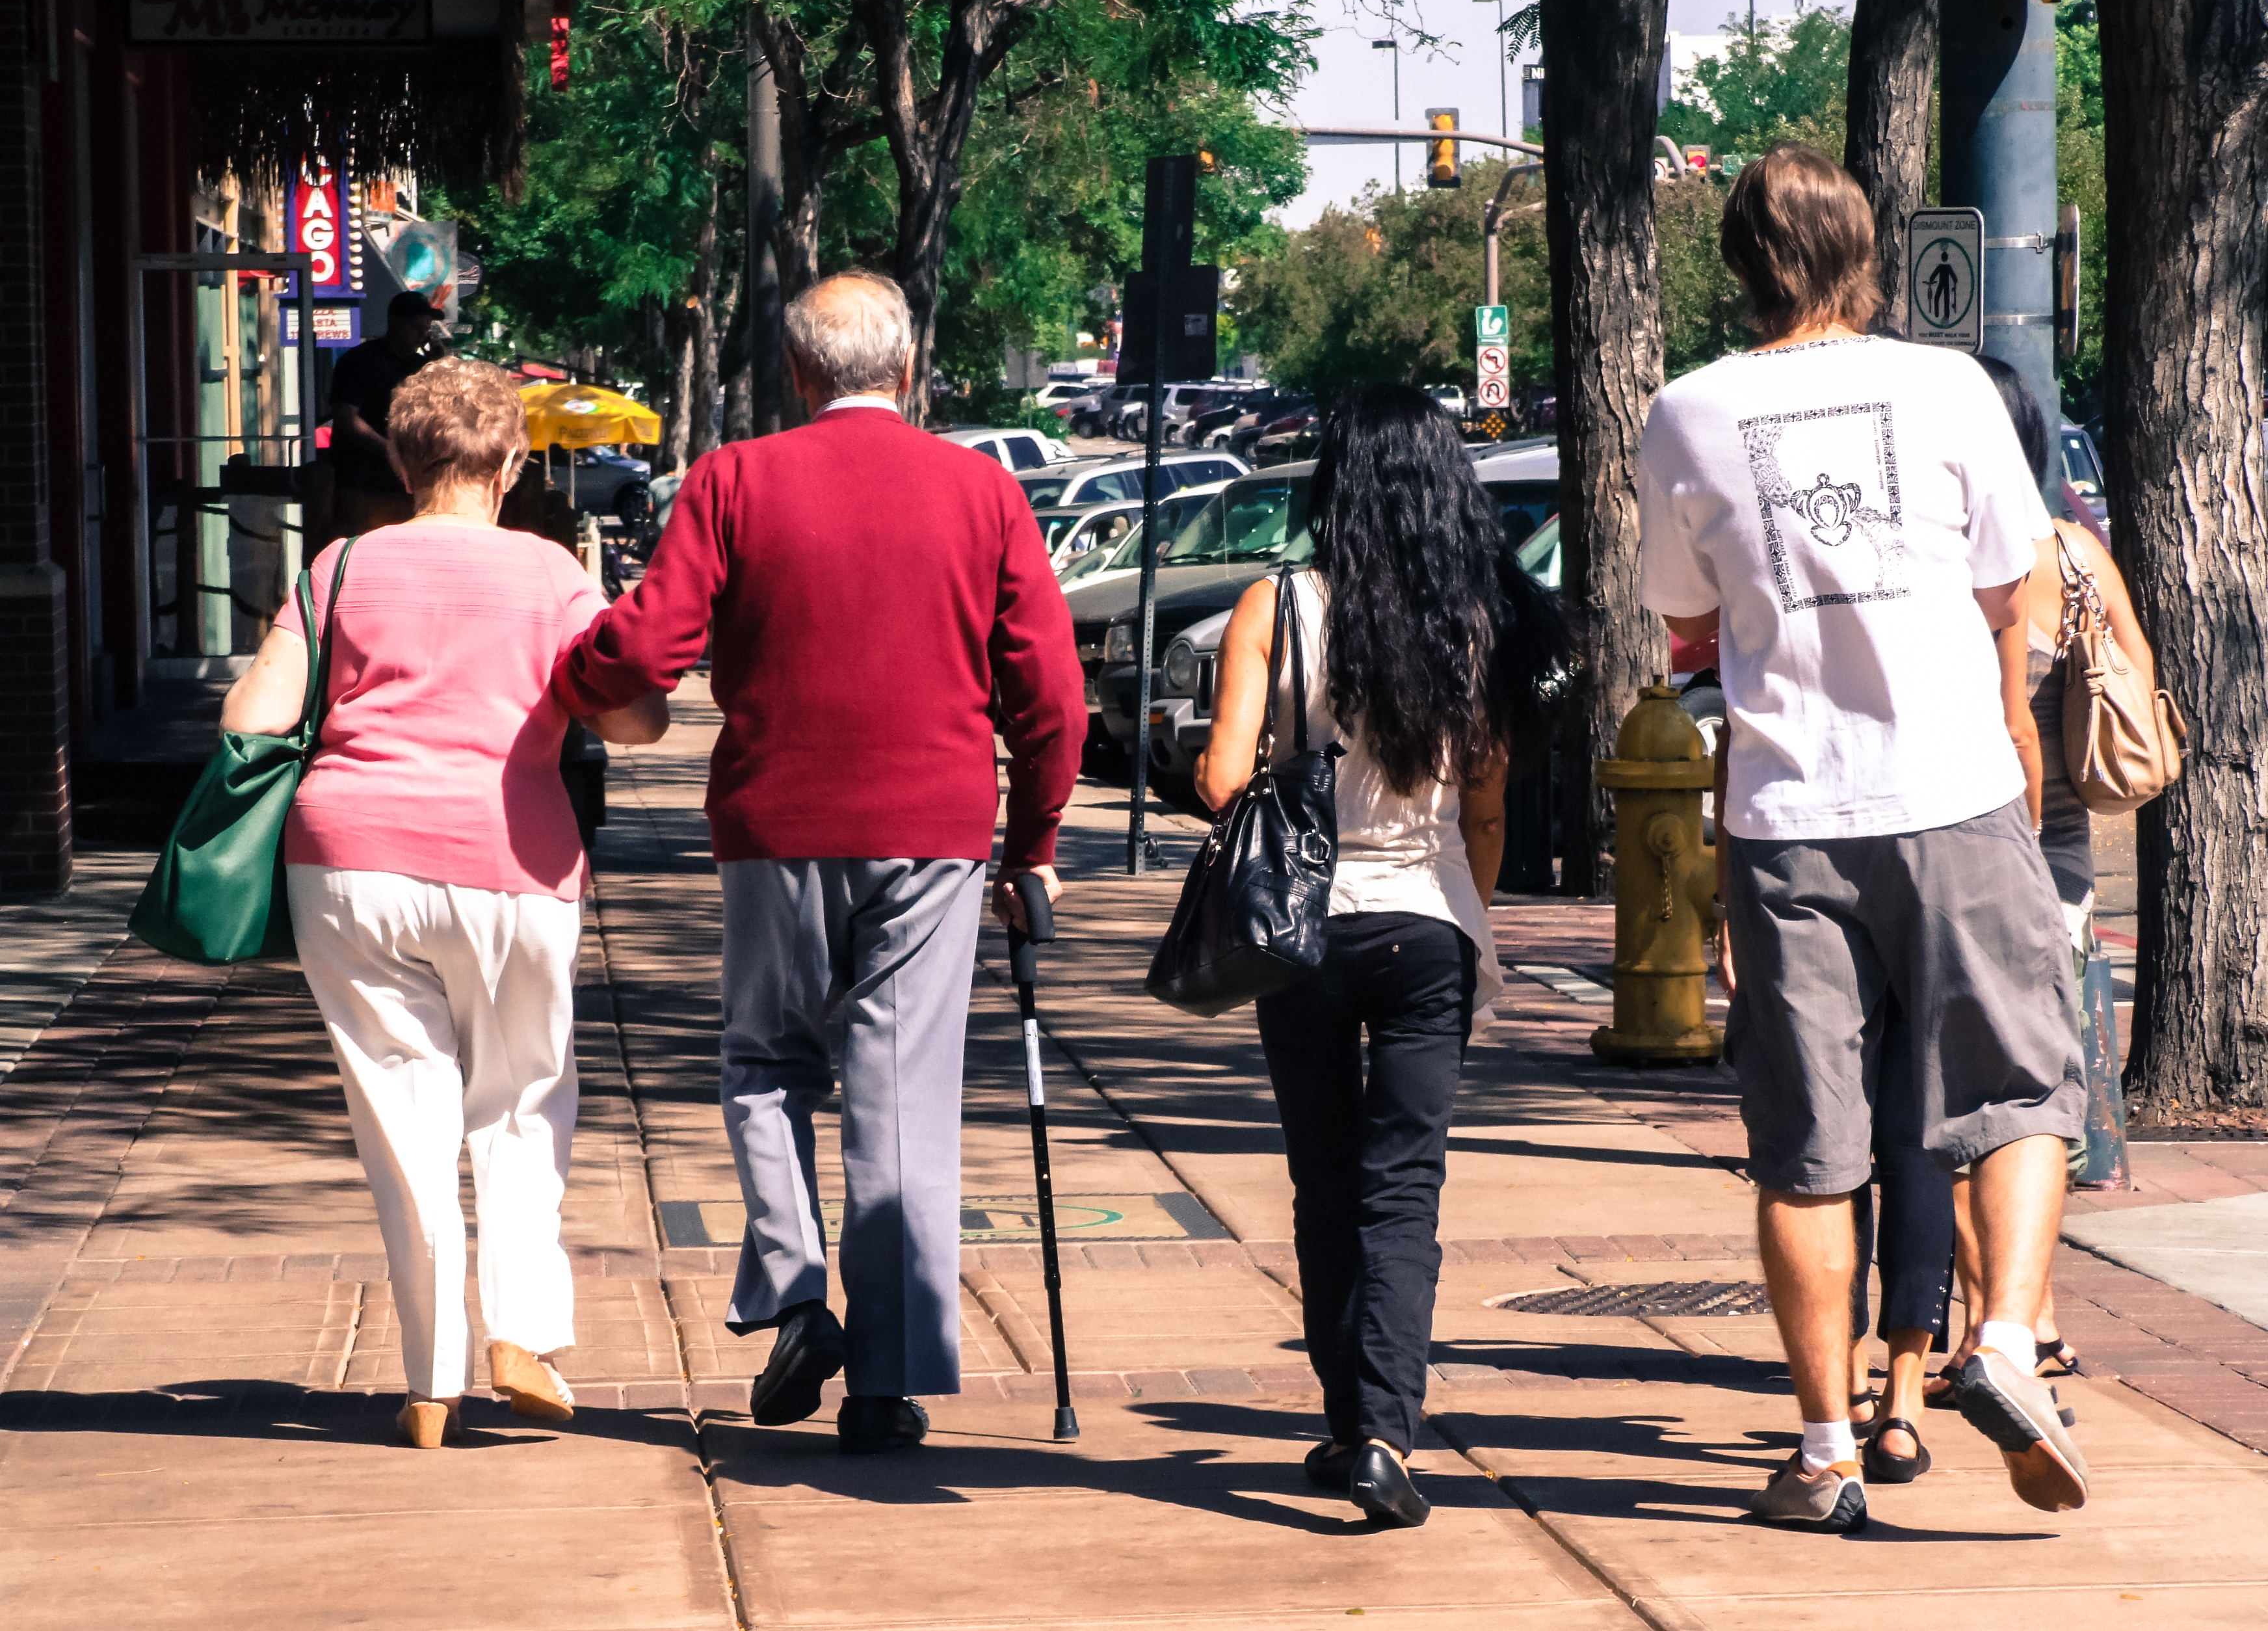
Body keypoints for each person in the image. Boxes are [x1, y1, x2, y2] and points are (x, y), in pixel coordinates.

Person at [553, 271, 1085, 1456]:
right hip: (934, 828)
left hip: (775, 819)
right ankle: (885, 1384)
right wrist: (1034, 843)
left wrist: (575, 673)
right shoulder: (982, 490)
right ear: (908, 369)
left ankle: (799, 1294)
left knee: (764, 1061)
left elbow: (652, 639)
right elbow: (1050, 692)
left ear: (796, 376)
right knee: (902, 1100)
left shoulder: (737, 478)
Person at [1639, 143, 2089, 1533]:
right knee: (2020, 1087)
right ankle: (2006, 1344)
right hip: (1952, 791)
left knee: (1803, 1148)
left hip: (1788, 816)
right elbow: (2013, 586)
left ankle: (1825, 1447)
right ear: (1866, 260)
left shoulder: (1686, 413)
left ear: (1736, 267)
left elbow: (1683, 617)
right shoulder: (1948, 384)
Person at [220, 359, 668, 1448]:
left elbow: (250, 716)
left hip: (350, 860)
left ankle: (430, 1381)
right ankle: (521, 1328)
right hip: (512, 860)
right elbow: (632, 725)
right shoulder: (552, 575)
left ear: (402, 461)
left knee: (403, 1118)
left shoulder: (340, 566)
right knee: (521, 1100)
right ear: (511, 465)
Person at [1194, 383, 1562, 1529]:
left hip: (1302, 925)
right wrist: (1468, 909)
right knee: (1402, 1186)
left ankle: (1343, 1409)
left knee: (1321, 1173)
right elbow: (1488, 803)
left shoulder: (1275, 607)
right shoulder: (1478, 622)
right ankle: (1385, 1439)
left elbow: (1215, 783)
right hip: (1426, 921)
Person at [1912, 356, 2156, 1409]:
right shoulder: (2076, 552)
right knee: (2035, 1100)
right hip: (2059, 860)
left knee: (1960, 1099)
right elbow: (2139, 679)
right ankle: (2035, 1319)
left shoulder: (1951, 565)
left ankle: (1988, 1324)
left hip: (1963, 845)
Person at [327, 290, 446, 535]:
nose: (422, 336)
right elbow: (347, 418)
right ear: (395, 322)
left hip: (404, 485)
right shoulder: (360, 361)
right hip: (360, 480)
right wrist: (389, 449)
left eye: (426, 330)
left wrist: (440, 368)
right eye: (416, 328)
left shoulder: (422, 368)